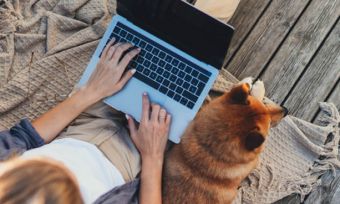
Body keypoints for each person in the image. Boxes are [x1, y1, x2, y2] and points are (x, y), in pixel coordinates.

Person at [0, 39, 171, 204]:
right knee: (178, 98)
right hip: (130, 159)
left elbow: (25, 137)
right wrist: (152, 157)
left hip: (79, 125)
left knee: (137, 42)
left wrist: (90, 91)